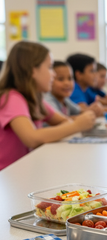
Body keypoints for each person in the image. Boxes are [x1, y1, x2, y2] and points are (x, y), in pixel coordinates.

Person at [0, 41, 96, 170]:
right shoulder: (12, 98)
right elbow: (31, 138)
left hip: (24, 169)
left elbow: (63, 121)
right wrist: (77, 125)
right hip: (7, 175)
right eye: (50, 67)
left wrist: (73, 124)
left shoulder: (36, 99)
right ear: (33, 70)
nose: (54, 74)